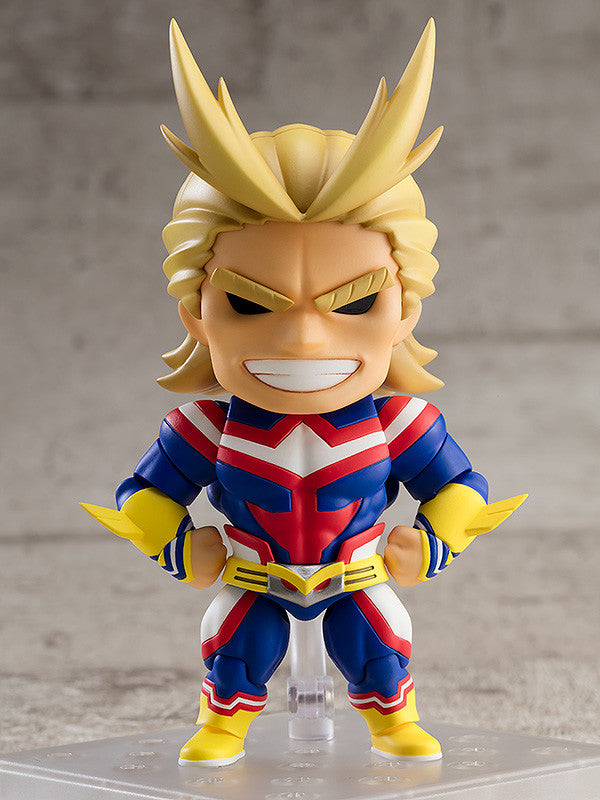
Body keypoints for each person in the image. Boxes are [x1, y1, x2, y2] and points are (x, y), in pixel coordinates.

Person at [82, 18, 525, 766]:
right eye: (250, 303)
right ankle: (223, 724)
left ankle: (392, 721)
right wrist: (177, 547)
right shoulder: (204, 428)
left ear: (406, 311)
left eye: (354, 302)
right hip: (254, 577)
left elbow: (461, 487)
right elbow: (143, 497)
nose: (305, 341)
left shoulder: (400, 421)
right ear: (196, 313)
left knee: (379, 648)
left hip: (357, 576)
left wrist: (435, 542)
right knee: (235, 652)